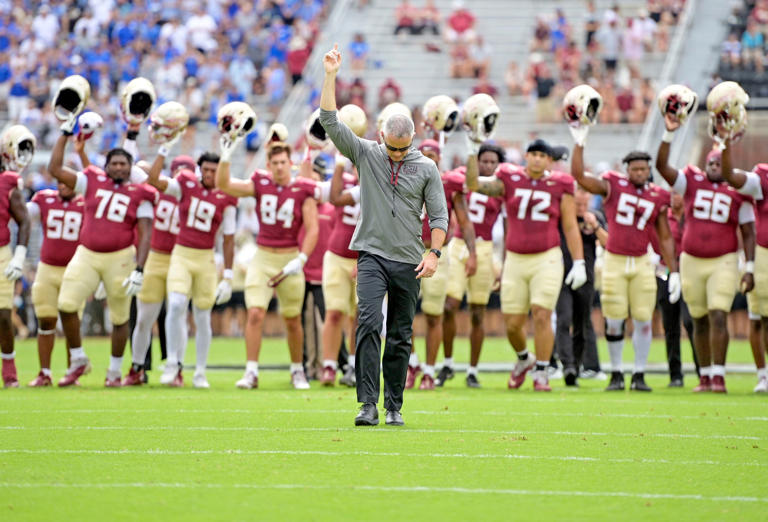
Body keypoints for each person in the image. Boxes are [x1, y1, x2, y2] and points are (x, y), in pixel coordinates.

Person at [319, 44, 448, 426]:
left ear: (413, 141)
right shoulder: (366, 153)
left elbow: (439, 217)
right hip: (372, 254)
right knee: (369, 322)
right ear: (380, 137)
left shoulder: (426, 168)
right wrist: (330, 75)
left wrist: (434, 254)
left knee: (400, 335)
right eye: (391, 148)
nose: (396, 154)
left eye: (403, 149)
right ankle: (367, 404)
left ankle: (394, 405)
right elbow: (329, 120)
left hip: (410, 260)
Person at [466, 138, 587, 391]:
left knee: (542, 314)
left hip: (547, 257)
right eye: (533, 154)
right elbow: (473, 184)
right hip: (516, 257)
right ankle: (524, 359)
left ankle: (542, 371)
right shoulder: (510, 178)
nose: (537, 159)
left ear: (549, 160)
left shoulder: (560, 184)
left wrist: (579, 261)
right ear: (526, 156)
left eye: (543, 155)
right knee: (512, 323)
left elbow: (569, 225)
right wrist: (470, 151)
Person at [570, 125, 679, 392]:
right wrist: (580, 143)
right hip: (615, 260)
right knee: (614, 317)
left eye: (643, 169)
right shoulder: (613, 185)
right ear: (626, 169)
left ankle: (638, 374)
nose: (639, 173)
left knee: (643, 318)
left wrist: (673, 270)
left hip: (643, 261)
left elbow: (665, 236)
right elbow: (580, 177)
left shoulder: (657, 195)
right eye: (635, 169)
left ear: (649, 170)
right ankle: (617, 372)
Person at [48, 117, 154, 387]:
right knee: (66, 304)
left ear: (130, 168)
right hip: (87, 254)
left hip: (119, 257)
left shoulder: (140, 192)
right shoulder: (91, 180)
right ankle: (78, 358)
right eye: (114, 163)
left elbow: (145, 234)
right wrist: (64, 134)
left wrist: (140, 269)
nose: (119, 167)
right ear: (106, 167)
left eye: (123, 164)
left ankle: (115, 372)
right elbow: (55, 169)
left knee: (120, 317)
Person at [657, 124, 755, 393]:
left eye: (718, 161)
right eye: (709, 162)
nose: (713, 166)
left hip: (722, 259)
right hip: (691, 260)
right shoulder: (692, 181)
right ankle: (705, 375)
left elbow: (748, 232)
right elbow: (663, 167)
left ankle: (719, 376)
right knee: (698, 318)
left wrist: (749, 266)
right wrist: (667, 134)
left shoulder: (738, 191)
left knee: (719, 314)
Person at [216, 140, 318, 390]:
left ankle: (297, 370)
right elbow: (224, 184)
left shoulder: (302, 189)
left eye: (284, 162)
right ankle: (251, 371)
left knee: (292, 319)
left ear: (290, 164)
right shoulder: (260, 184)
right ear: (269, 166)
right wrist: (226, 156)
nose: (280, 167)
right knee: (255, 313)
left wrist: (301, 258)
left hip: (289, 257)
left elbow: (313, 228)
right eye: (275, 163)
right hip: (263, 257)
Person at [141, 148, 237, 389]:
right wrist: (162, 150)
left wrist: (228, 274)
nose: (209, 175)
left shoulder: (227, 195)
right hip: (181, 254)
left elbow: (228, 237)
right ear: (199, 169)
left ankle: (201, 371)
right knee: (175, 304)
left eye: (214, 171)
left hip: (205, 258)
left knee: (203, 316)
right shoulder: (185, 184)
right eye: (205, 169)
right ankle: (173, 362)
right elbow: (154, 181)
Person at [408, 139, 476, 391]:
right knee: (404, 314)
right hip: (409, 252)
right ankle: (412, 363)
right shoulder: (406, 178)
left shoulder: (449, 184)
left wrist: (473, 252)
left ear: (439, 159)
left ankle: (429, 369)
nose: (429, 160)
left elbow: (465, 221)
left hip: (438, 252)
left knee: (434, 314)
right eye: (424, 155)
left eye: (433, 156)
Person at [442, 143, 505, 388]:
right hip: (459, 245)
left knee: (478, 312)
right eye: (484, 161)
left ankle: (472, 369)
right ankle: (447, 363)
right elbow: (449, 177)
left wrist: (505, 262)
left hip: (486, 247)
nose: (488, 165)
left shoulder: (500, 188)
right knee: (450, 305)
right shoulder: (463, 179)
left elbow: (508, 225)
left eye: (492, 162)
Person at [125, 155, 189, 385]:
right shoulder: (155, 191)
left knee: (177, 311)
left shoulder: (193, 197)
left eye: (188, 170)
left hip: (180, 258)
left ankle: (176, 366)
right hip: (154, 257)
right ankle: (137, 367)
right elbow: (132, 170)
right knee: (144, 318)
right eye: (179, 170)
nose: (184, 175)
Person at [718, 143, 768, 393]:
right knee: (759, 317)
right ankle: (763, 375)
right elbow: (730, 176)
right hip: (763, 255)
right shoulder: (762, 177)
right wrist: (725, 141)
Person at [27, 181, 84, 387]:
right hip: (47, 268)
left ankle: (72, 373)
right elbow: (24, 214)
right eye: (60, 181)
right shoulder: (44, 199)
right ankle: (44, 373)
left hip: (76, 269)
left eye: (68, 181)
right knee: (45, 321)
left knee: (72, 324)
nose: (63, 185)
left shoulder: (86, 203)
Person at [555, 187, 607, 387]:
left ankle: (576, 367)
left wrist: (595, 227)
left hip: (587, 276)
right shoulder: (561, 217)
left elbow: (608, 244)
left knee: (582, 323)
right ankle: (567, 365)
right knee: (564, 318)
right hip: (562, 273)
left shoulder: (595, 217)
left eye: (586, 197)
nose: (581, 203)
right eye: (578, 199)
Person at [320, 157, 361, 387]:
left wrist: (363, 258)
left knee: (359, 316)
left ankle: (355, 365)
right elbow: (328, 195)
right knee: (334, 312)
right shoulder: (342, 181)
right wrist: (337, 163)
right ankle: (329, 365)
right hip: (337, 255)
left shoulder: (379, 184)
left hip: (364, 259)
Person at [650, 192, 698, 387]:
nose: (675, 197)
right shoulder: (663, 218)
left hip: (688, 270)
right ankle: (675, 373)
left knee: (691, 321)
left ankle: (703, 370)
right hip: (666, 271)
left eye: (679, 192)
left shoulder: (693, 215)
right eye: (673, 192)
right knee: (670, 325)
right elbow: (656, 242)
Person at [0, 143, 30, 388]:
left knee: (3, 315)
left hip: (1, 253)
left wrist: (19, 256)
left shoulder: (7, 182)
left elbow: (24, 219)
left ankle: (9, 368)